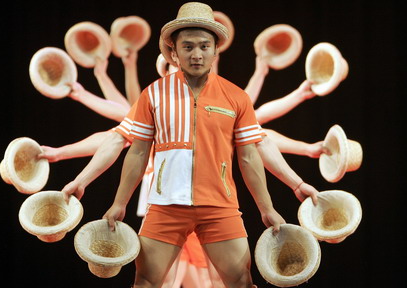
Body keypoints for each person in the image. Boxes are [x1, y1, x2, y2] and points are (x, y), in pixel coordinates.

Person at [101, 3, 286, 287]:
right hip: (165, 206)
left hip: (219, 207)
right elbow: (137, 151)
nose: (196, 54)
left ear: (216, 50)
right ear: (174, 52)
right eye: (187, 47)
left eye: (204, 46)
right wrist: (119, 202)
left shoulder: (236, 97)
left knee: (240, 280)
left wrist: (267, 208)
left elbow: (249, 157)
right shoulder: (154, 94)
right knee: (146, 281)